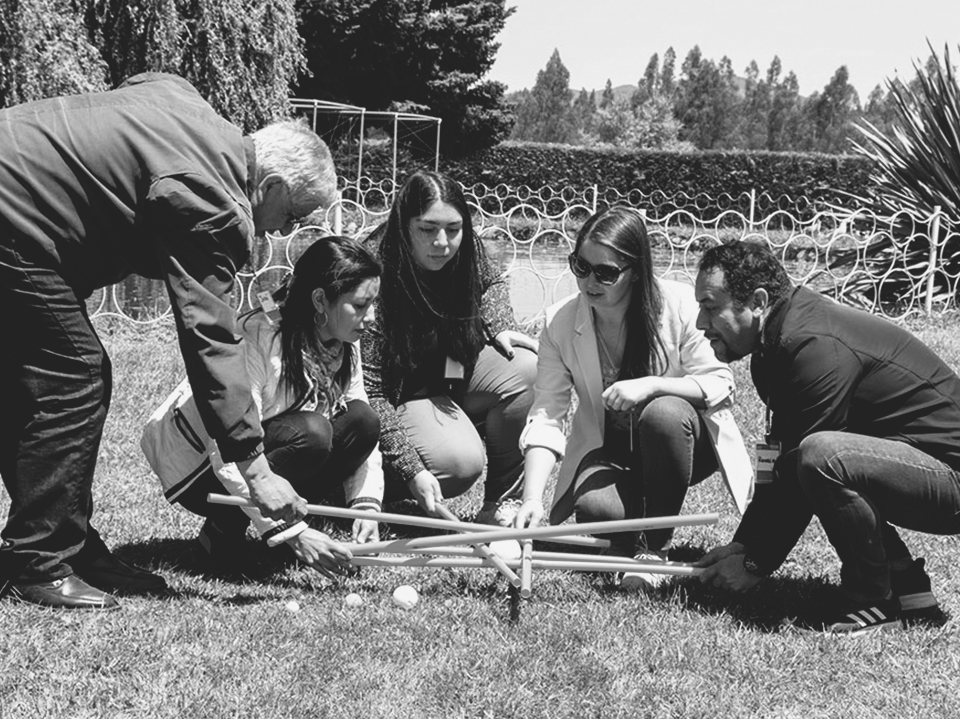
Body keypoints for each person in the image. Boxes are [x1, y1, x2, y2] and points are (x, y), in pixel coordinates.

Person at [0, 73, 337, 609]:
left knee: (45, 379)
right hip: (13, 217)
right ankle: (36, 562)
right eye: (289, 216)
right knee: (75, 377)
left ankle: (71, 545)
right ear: (269, 185)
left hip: (15, 186)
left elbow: (142, 82)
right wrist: (255, 468)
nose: (277, 232)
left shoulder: (188, 103)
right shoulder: (216, 201)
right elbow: (211, 337)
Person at [693, 241, 959, 633]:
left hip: (951, 479)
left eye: (711, 306)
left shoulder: (811, 344)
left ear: (759, 301)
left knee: (823, 458)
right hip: (919, 467)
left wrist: (755, 566)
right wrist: (744, 547)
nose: (701, 323)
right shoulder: (777, 343)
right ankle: (907, 587)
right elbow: (781, 463)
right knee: (818, 458)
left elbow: (803, 470)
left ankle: (873, 601)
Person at [512, 207, 752, 589]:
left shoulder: (680, 306)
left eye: (606, 272)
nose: (590, 281)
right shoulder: (558, 321)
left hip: (684, 441)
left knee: (663, 413)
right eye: (581, 266)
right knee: (596, 512)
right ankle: (632, 526)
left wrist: (654, 385)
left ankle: (655, 550)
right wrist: (531, 499)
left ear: (636, 271)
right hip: (612, 451)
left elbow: (721, 384)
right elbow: (547, 414)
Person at [142, 235, 383, 578]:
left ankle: (283, 520)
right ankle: (222, 534)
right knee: (313, 433)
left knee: (363, 422)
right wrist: (294, 535)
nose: (371, 317)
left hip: (267, 449)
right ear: (320, 300)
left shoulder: (342, 341)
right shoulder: (259, 338)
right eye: (360, 306)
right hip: (200, 468)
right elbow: (224, 447)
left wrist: (366, 506)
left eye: (373, 303)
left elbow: (362, 428)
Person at [361, 170, 538, 524]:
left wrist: (500, 324)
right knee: (460, 464)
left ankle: (502, 503)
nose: (442, 242)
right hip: (399, 396)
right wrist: (411, 468)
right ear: (403, 223)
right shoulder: (373, 273)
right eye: (427, 229)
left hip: (449, 374)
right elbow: (371, 395)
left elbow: (491, 282)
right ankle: (368, 486)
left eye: (453, 229)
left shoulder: (465, 249)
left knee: (525, 366)